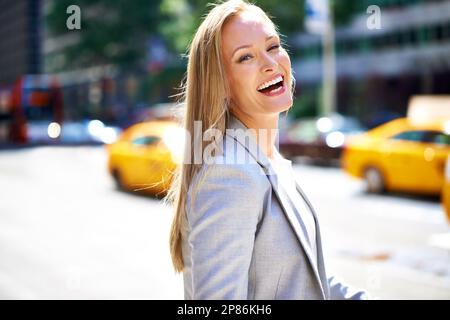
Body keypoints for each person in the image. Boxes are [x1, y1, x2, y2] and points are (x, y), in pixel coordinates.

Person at [167, 0, 369, 300]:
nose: (270, 63)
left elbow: (302, 277)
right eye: (245, 57)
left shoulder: (267, 160)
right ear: (221, 84)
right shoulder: (230, 175)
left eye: (273, 46)